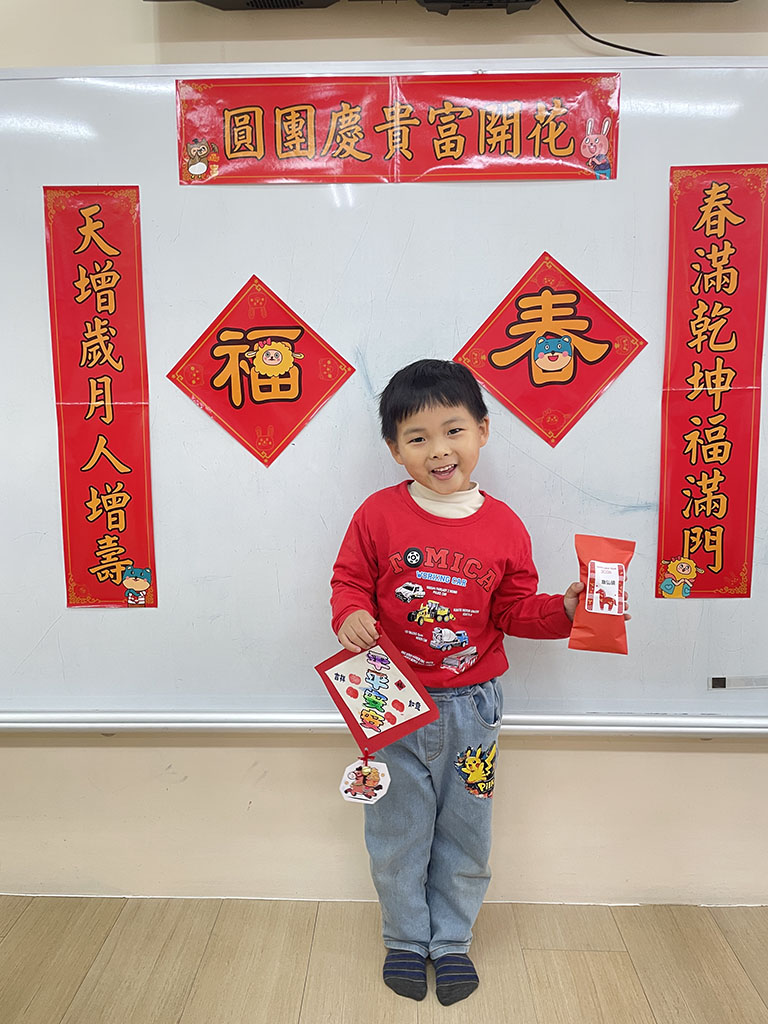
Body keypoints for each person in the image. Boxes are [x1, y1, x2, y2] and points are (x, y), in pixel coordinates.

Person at [330, 359, 584, 1006]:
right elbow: (350, 580)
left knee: (467, 830)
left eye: (454, 430)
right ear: (395, 449)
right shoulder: (376, 516)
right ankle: (405, 940)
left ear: (482, 431)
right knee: (397, 831)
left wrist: (565, 610)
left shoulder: (504, 525)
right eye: (417, 438)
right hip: (389, 701)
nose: (439, 450)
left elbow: (515, 610)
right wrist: (350, 611)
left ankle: (451, 943)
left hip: (473, 708)